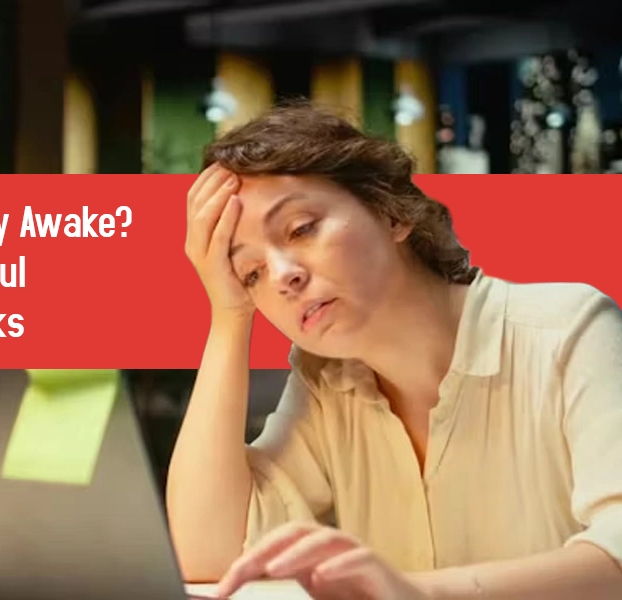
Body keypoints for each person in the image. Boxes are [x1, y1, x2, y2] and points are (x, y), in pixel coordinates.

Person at [165, 101, 622, 599]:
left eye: (300, 229)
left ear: (390, 211)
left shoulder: (569, 331)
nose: (282, 276)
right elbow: (208, 557)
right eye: (251, 273)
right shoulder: (328, 380)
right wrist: (229, 317)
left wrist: (412, 593)